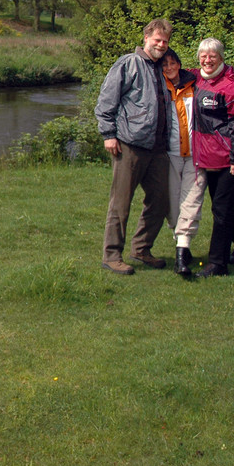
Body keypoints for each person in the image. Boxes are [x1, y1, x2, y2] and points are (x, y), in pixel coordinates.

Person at [95, 18, 172, 275]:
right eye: (157, 40)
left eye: (165, 41)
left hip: (158, 149)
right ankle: (112, 255)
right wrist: (108, 134)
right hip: (129, 145)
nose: (161, 45)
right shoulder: (128, 63)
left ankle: (141, 248)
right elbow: (107, 101)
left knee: (160, 200)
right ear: (146, 38)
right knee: (121, 204)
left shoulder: (165, 67)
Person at [190, 38, 234, 277]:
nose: (208, 60)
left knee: (221, 208)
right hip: (210, 157)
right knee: (223, 207)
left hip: (233, 158)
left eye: (213, 56)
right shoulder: (196, 78)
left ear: (221, 57)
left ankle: (217, 264)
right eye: (203, 56)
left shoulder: (231, 87)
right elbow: (170, 68)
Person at [160, 48, 202, 276]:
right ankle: (182, 245)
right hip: (171, 154)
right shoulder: (158, 87)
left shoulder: (195, 85)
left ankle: (181, 255)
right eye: (164, 65)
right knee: (173, 206)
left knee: (192, 200)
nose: (169, 68)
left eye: (172, 63)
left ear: (179, 63)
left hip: (197, 155)